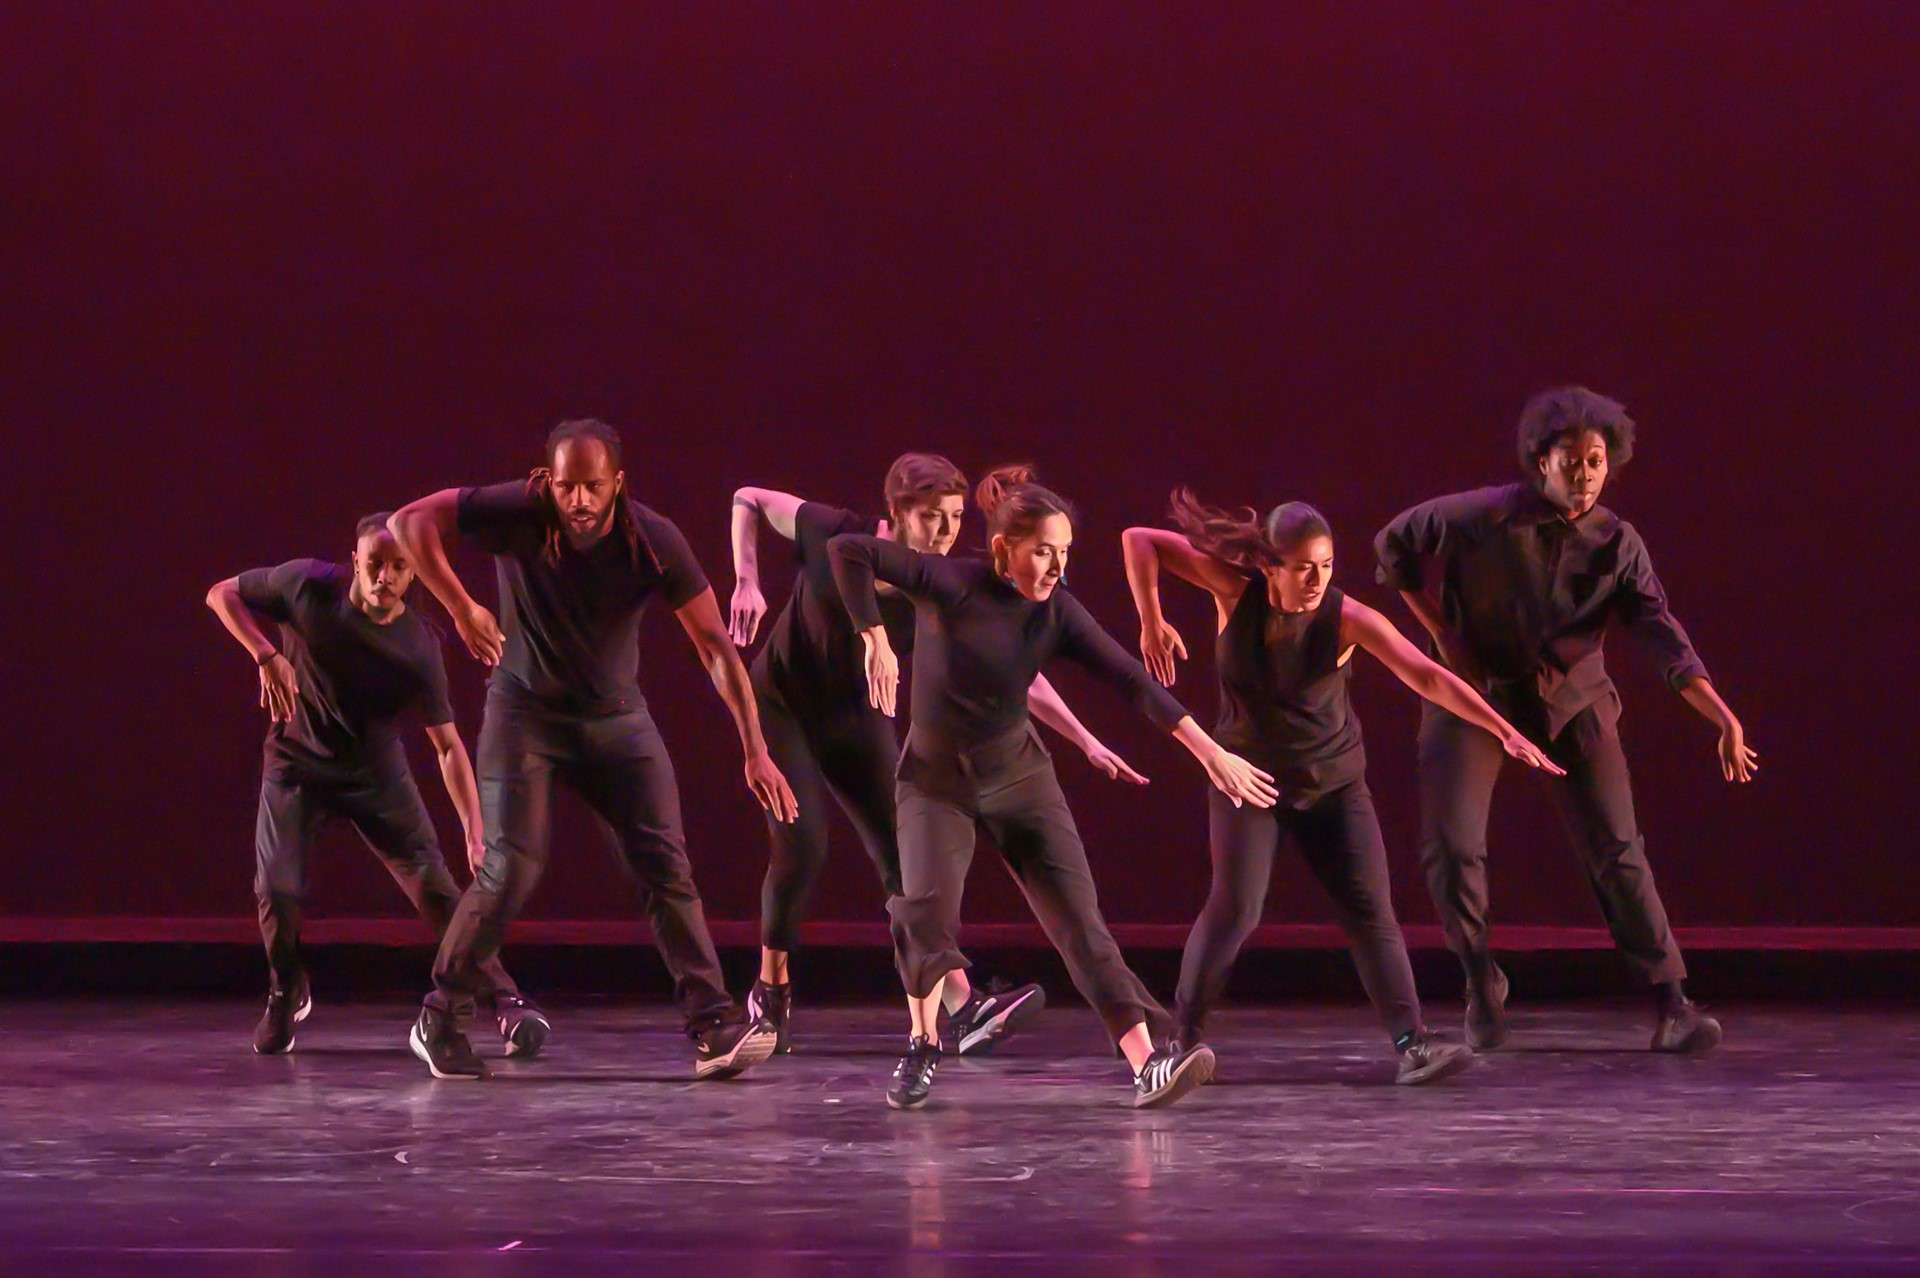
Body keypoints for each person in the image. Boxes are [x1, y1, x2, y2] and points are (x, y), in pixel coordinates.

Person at [829, 465, 1280, 1110]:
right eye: (1043, 551)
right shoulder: (951, 582)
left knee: (1080, 923)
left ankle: (1146, 1063)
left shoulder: (1057, 612)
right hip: (936, 783)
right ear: (1005, 549)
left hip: (1020, 778)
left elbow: (1132, 681)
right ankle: (924, 1042)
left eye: (1064, 553)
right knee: (925, 912)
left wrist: (1209, 753)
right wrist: (873, 633)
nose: (1055, 567)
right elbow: (845, 549)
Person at [389, 419, 797, 1080]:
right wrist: (463, 609)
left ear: (618, 485)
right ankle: (440, 1016)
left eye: (593, 487)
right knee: (512, 866)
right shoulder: (519, 508)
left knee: (665, 866)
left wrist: (754, 748)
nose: (578, 500)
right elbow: (409, 523)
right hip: (525, 715)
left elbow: (715, 648)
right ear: (548, 479)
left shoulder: (652, 539)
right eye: (567, 485)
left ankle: (711, 1023)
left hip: (616, 721)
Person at [1122, 489, 1563, 1084]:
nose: (1316, 579)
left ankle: (1413, 1044)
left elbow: (1427, 675)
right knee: (1235, 909)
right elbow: (1139, 540)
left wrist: (1503, 730)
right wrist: (1151, 617)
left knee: (1370, 913)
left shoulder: (1349, 617)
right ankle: (1180, 1043)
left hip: (1333, 785)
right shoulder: (1235, 591)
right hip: (1250, 780)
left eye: (1326, 565)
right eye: (1303, 567)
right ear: (1269, 565)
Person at [1373, 387, 1759, 1052]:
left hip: (1573, 698)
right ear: (1539, 461)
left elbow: (1661, 635)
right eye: (1568, 460)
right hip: (1477, 698)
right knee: (1453, 849)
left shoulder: (1617, 543)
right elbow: (1394, 543)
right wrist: (1438, 630)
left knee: (1617, 848)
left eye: (1595, 462)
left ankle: (1672, 1002)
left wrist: (1722, 717)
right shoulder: (1482, 516)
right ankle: (1478, 979)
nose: (1582, 475)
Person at [732, 454, 1133, 1056]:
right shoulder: (837, 532)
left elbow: (1016, 672)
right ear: (896, 515)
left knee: (903, 856)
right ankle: (771, 987)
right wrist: (746, 578)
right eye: (931, 518)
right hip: (784, 703)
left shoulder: (940, 585)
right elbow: (749, 496)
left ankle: (960, 1005)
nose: (946, 533)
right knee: (804, 840)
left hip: (858, 714)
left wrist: (1084, 737)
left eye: (952, 518)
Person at [205, 513, 539, 1056]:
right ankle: (286, 987)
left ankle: (506, 1000)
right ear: (355, 561)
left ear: (414, 575)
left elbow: (448, 745)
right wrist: (265, 653)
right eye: (375, 565)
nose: (385, 577)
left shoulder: (417, 646)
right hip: (296, 764)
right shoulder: (307, 585)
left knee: (436, 890)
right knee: (277, 889)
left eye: (399, 568)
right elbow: (221, 594)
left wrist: (475, 831)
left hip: (375, 776)